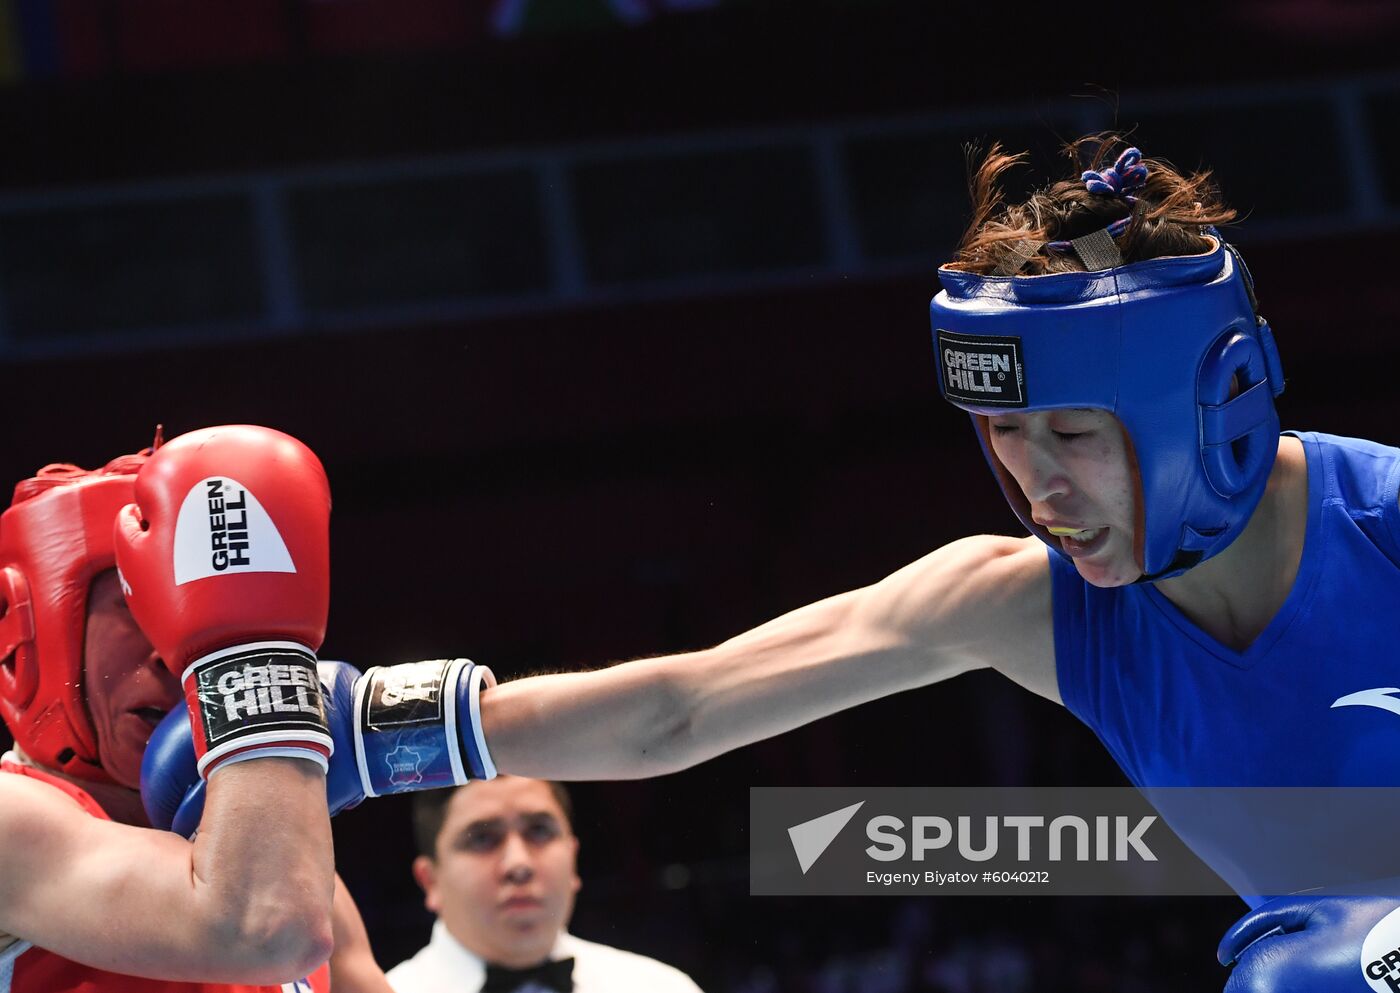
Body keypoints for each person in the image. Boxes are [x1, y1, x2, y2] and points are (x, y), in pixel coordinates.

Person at [436, 137, 1400, 990]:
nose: (1040, 488)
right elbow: (678, 710)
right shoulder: (1033, 603)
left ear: (1205, 409)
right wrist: (372, 731)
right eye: (1010, 434)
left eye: (1072, 430)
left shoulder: (1383, 522)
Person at [0, 425, 394, 993]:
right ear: (25, 645)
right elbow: (259, 930)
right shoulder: (10, 824)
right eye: (138, 610)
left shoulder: (294, 869)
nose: (180, 658)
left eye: (196, 618)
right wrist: (256, 652)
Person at [387, 776, 703, 993]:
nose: (518, 864)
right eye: (483, 838)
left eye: (539, 831)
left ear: (573, 858)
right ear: (431, 881)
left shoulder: (660, 987)